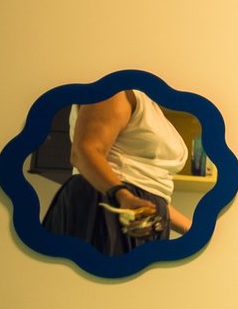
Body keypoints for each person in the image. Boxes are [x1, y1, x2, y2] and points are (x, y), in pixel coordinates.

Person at [41, 89, 193, 254]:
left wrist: (194, 230)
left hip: (135, 209)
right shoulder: (115, 91)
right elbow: (84, 152)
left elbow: (148, 192)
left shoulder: (150, 106)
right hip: (105, 204)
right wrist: (123, 196)